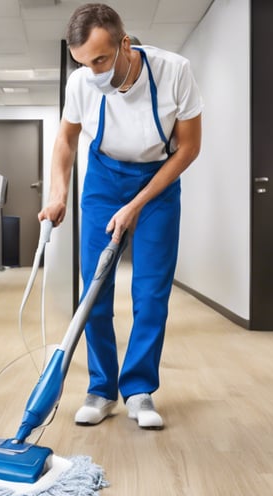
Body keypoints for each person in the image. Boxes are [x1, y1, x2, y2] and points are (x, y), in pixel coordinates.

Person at [38, 3, 202, 429]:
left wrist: (137, 203)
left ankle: (140, 390)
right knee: (94, 290)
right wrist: (58, 193)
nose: (93, 72)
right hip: (103, 179)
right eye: (83, 63)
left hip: (158, 182)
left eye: (100, 60)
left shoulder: (174, 72)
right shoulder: (81, 84)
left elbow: (188, 148)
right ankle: (101, 388)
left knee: (150, 293)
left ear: (124, 44)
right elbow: (66, 141)